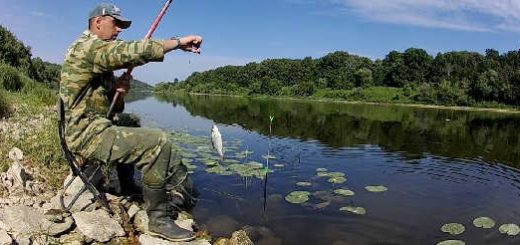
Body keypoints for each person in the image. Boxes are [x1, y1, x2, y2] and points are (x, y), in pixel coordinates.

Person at [59, 2, 202, 242]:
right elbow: (130, 52)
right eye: (115, 24)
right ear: (98, 23)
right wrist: (177, 43)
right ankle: (159, 220)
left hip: (92, 127)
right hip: (85, 135)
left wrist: (118, 91)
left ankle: (126, 186)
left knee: (130, 121)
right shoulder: (87, 47)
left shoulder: (96, 55)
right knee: (158, 142)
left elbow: (110, 109)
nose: (118, 31)